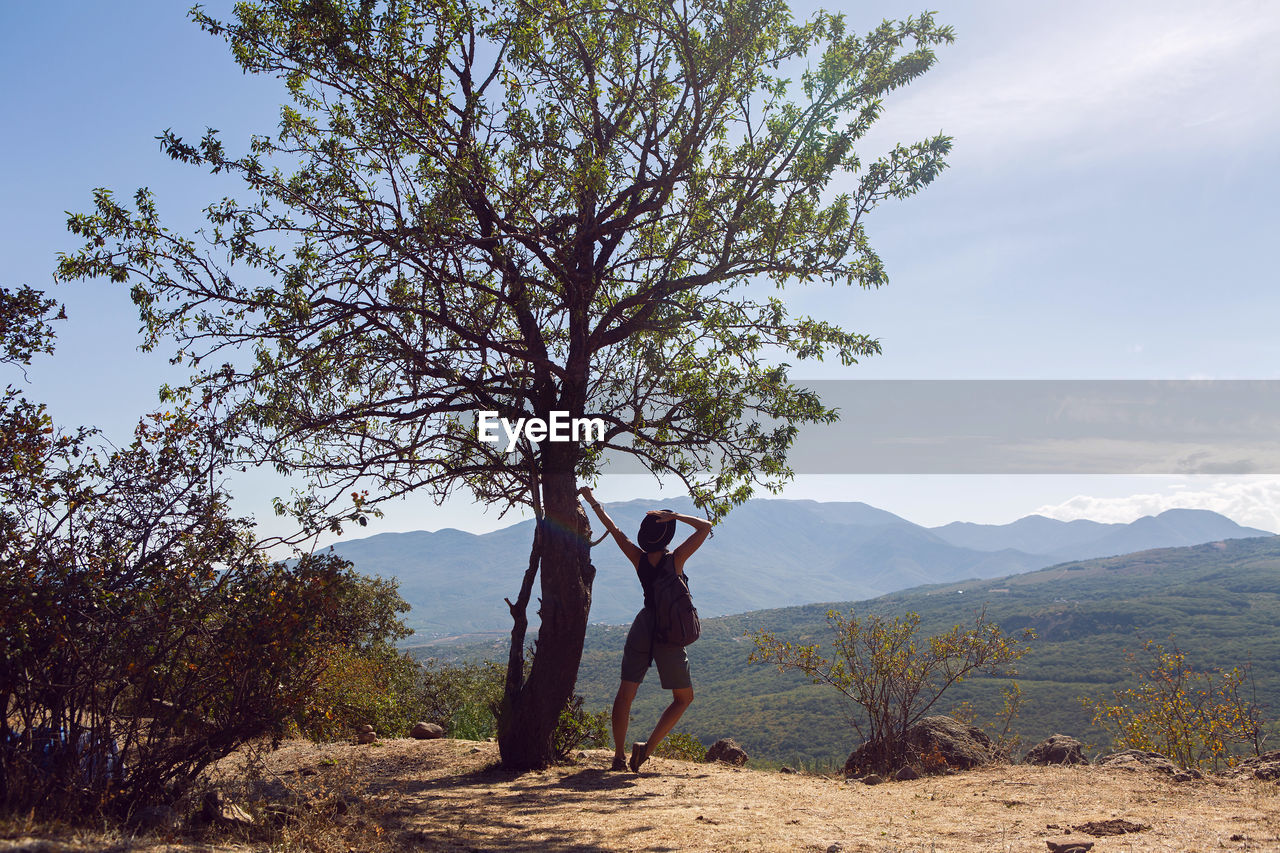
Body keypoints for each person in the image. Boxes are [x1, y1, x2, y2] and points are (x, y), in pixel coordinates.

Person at [578, 486, 712, 773]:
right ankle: (646, 751)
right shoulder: (675, 560)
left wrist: (591, 501)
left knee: (625, 693)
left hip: (643, 625)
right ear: (666, 537)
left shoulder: (638, 559)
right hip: (669, 632)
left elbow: (614, 530)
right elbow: (706, 527)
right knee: (683, 698)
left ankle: (617, 756)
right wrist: (674, 515)